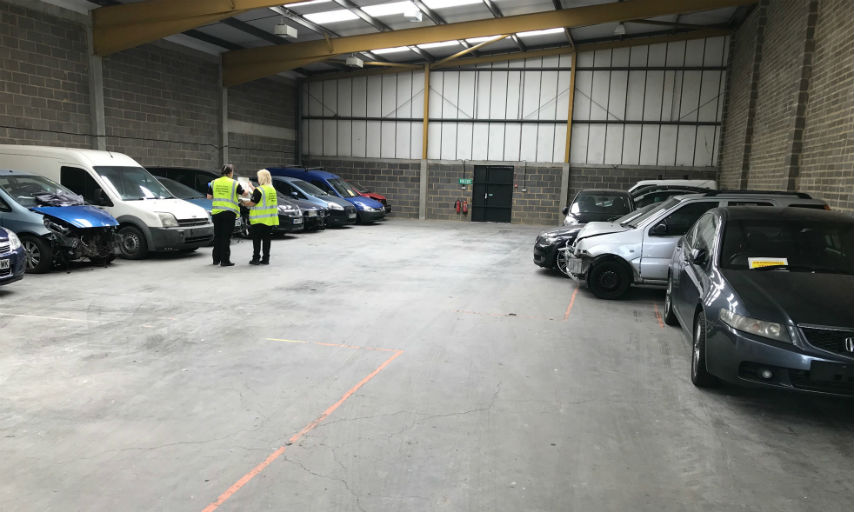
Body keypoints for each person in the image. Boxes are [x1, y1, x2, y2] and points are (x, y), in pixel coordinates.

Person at [207, 164, 248, 267]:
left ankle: (216, 260)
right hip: (229, 213)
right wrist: (248, 188)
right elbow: (244, 194)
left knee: (218, 236)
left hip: (216, 213)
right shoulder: (235, 183)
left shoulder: (214, 182)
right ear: (230, 173)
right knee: (226, 237)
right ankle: (225, 261)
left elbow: (209, 197)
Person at [244, 169, 279, 265]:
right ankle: (266, 259)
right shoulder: (272, 189)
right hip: (269, 219)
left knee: (257, 240)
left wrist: (243, 203)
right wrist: (251, 186)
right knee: (267, 240)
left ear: (262, 178)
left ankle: (255, 259)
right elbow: (260, 194)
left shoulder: (260, 190)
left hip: (259, 220)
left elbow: (252, 203)